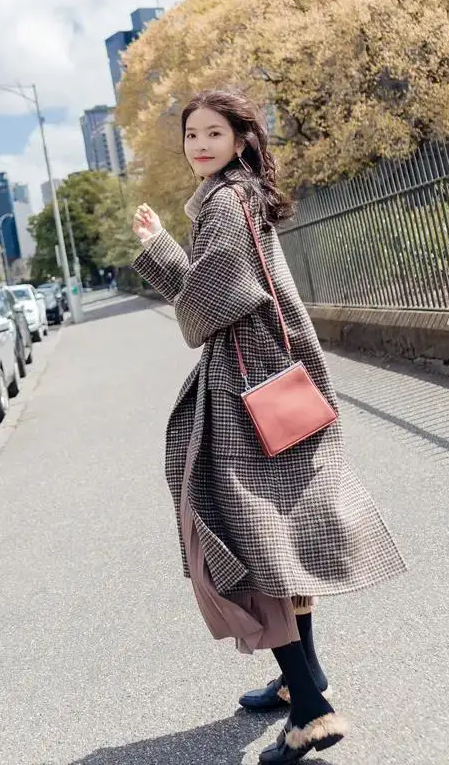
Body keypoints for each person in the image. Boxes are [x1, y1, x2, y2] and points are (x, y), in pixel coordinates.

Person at [131, 89, 405, 764]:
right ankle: (299, 681)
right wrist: (162, 247)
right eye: (191, 134)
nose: (199, 145)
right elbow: (220, 287)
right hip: (269, 379)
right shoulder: (237, 196)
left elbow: (212, 304)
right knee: (277, 534)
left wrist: (165, 256)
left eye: (213, 133)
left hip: (246, 387)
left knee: (248, 539)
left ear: (239, 139)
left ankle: (311, 712)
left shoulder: (226, 202)